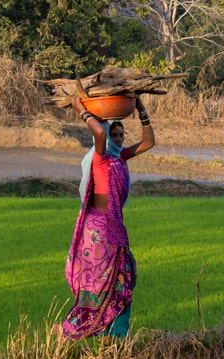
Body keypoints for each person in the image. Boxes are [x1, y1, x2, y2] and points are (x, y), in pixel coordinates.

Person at [57, 95, 155, 340]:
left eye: (122, 135)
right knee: (100, 285)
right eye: (115, 135)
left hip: (116, 228)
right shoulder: (100, 159)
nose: (119, 139)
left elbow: (149, 142)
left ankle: (116, 337)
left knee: (124, 280)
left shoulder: (119, 157)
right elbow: (99, 135)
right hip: (98, 231)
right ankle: (66, 330)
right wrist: (81, 110)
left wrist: (141, 108)